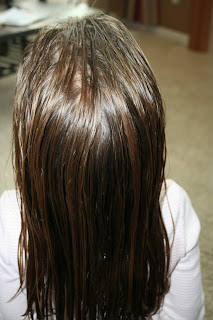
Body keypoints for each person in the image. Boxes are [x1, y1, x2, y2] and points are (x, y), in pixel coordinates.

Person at [0, 14, 205, 320]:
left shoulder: (11, 220)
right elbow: (185, 314)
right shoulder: (174, 209)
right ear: (148, 138)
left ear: (32, 147)